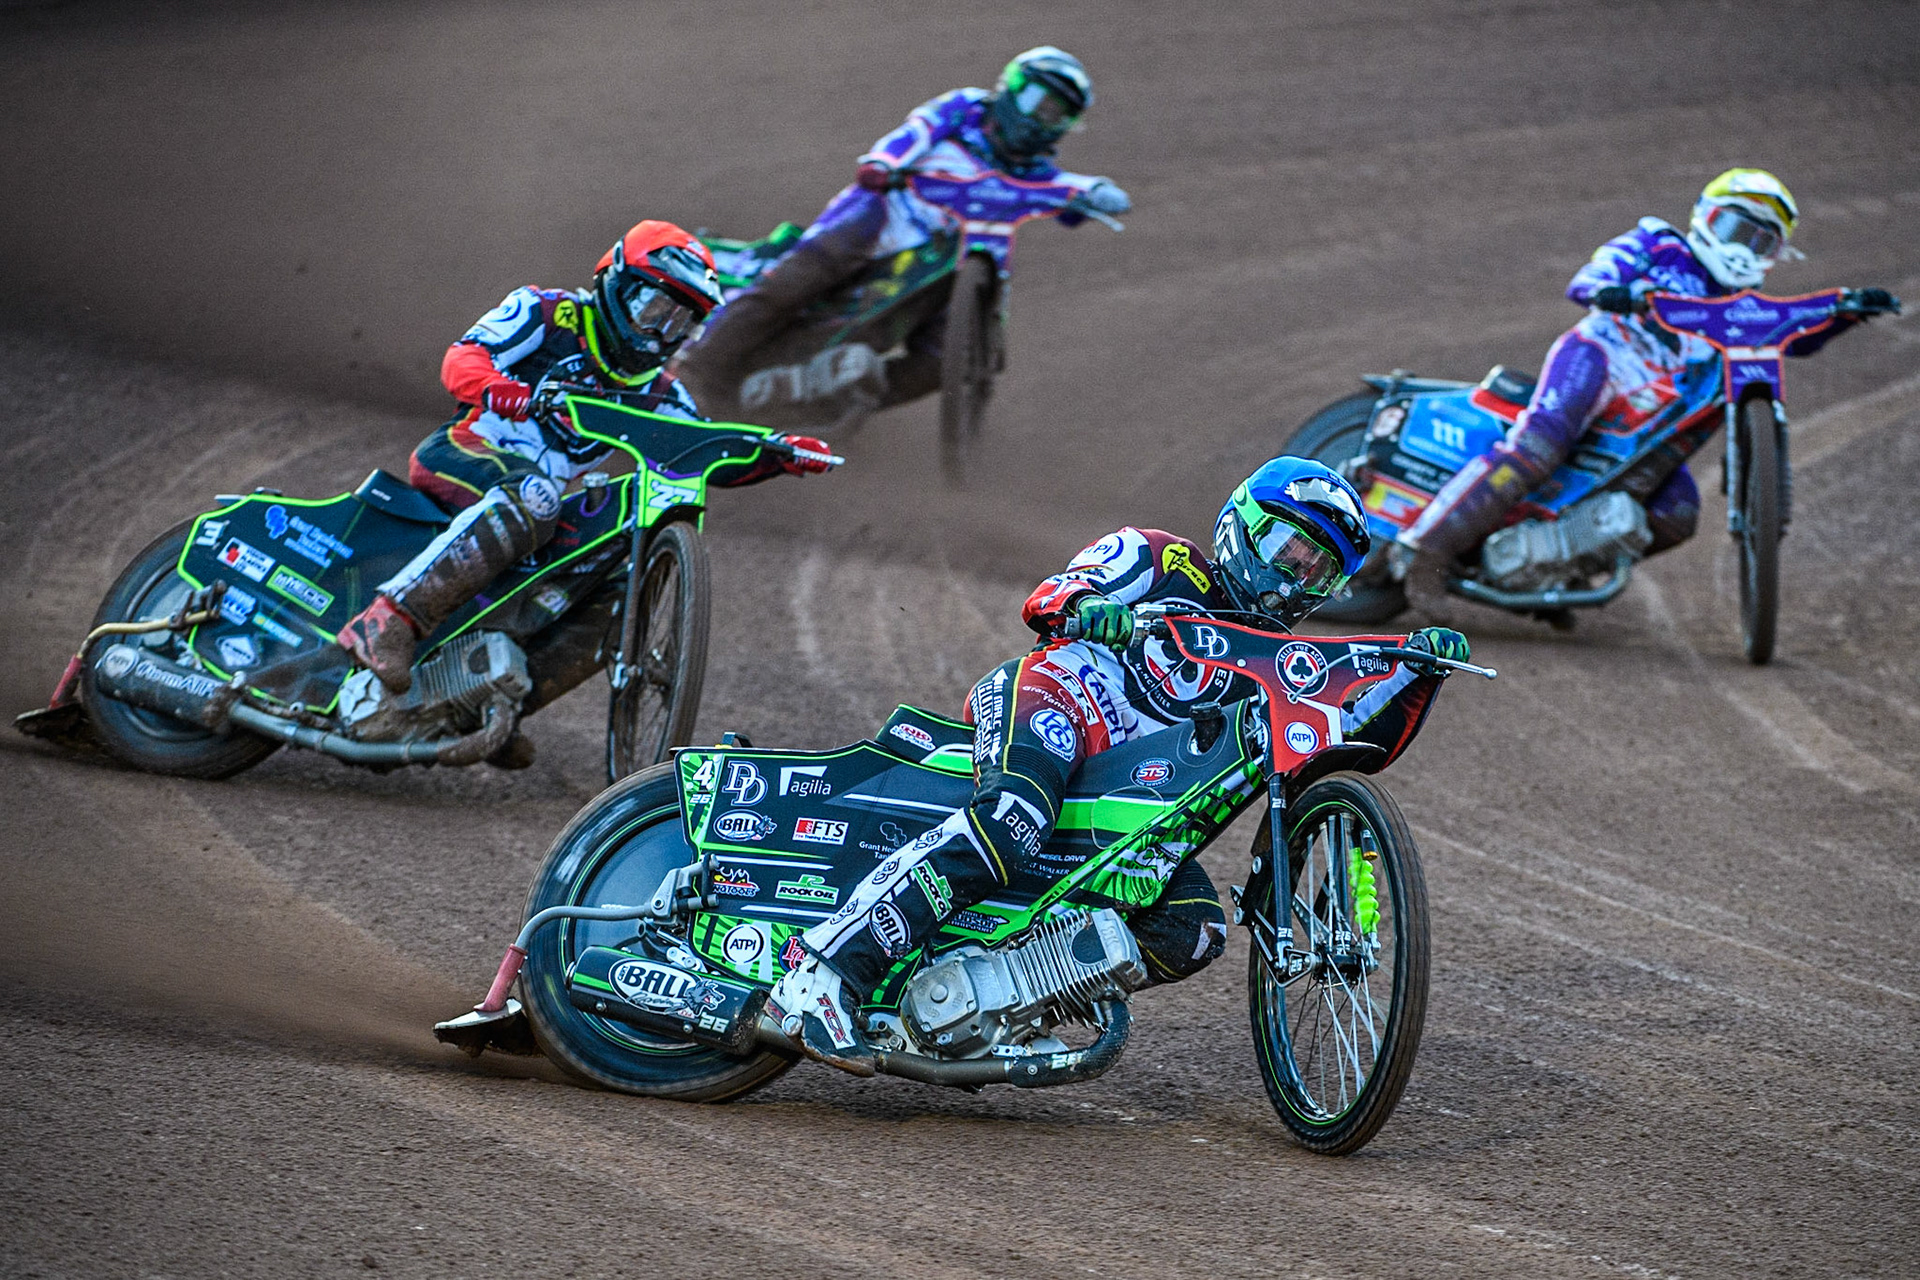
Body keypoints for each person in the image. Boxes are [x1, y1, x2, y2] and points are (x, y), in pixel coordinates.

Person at [766, 457, 1470, 1074]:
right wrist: (1092, 608)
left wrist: (1417, 673)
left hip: (1127, 801)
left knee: (1194, 927)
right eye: (1292, 552)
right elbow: (1050, 595)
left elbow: (1348, 744)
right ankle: (823, 972)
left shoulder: (1279, 669)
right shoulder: (1162, 558)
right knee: (1013, 822)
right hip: (1059, 699)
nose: (1298, 580)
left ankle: (1008, 995)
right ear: (1243, 526)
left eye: (1319, 574)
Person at [337, 220, 834, 693]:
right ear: (617, 284)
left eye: (681, 323)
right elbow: (463, 357)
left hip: (537, 505)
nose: (662, 332)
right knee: (533, 499)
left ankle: (503, 700)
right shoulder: (546, 312)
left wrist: (777, 455)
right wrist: (500, 389)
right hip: (466, 451)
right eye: (654, 309)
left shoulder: (663, 393)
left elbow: (703, 453)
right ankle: (387, 621)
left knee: (617, 580)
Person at [1397, 168, 1898, 623]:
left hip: (1649, 428)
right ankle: (1425, 554)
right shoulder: (1658, 244)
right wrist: (1610, 290)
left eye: (1762, 242)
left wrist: (1847, 313)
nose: (1745, 249)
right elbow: (1593, 276)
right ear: (1705, 219)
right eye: (1735, 230)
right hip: (1602, 358)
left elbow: (1798, 336)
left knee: (1677, 512)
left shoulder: (1744, 310)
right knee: (1539, 447)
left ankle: (1557, 573)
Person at [673, 46, 1131, 419]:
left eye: (1056, 115)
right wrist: (883, 163)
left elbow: (1073, 191)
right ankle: (697, 371)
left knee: (961, 360)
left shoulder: (1037, 174)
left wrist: (1099, 192)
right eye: (1035, 101)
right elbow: (916, 131)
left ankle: (842, 394)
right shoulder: (967, 108)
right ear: (1011, 88)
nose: (1038, 119)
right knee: (802, 275)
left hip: (960, 261)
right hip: (888, 213)